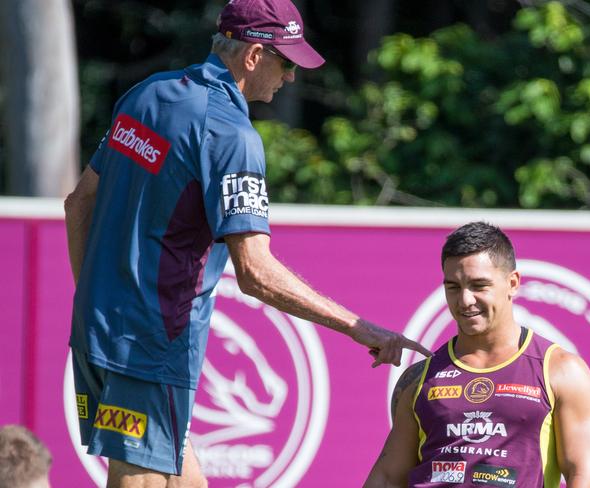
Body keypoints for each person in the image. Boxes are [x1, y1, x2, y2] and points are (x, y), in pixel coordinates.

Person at [64, 0, 430, 486]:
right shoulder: (231, 134)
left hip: (99, 331)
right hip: (149, 346)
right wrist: (360, 327)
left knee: (183, 479)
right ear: (254, 56)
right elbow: (255, 273)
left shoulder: (147, 94)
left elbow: (78, 203)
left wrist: (94, 301)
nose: (292, 77)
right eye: (287, 62)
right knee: (141, 478)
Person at [364, 221, 590, 488]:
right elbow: (387, 478)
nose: (465, 300)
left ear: (512, 283)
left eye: (479, 285)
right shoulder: (419, 379)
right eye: (453, 287)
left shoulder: (560, 370)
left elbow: (586, 477)